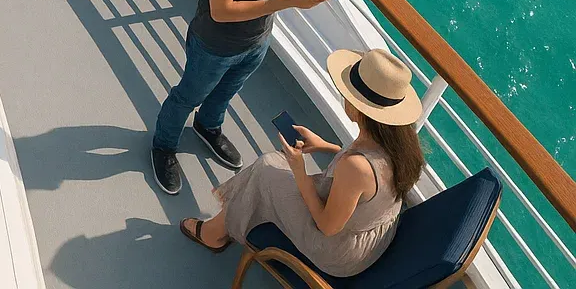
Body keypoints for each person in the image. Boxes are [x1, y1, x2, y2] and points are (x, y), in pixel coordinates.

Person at [150, 0, 329, 194]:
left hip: (257, 40)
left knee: (225, 93)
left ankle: (208, 126)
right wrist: (287, 2)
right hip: (214, 45)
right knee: (187, 97)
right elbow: (222, 10)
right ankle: (163, 147)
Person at [179, 48, 425, 280]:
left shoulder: (357, 167)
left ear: (359, 109)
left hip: (339, 251)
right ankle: (228, 221)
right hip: (374, 235)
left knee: (266, 169)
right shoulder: (399, 142)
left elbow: (327, 226)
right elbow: (368, 183)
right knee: (271, 168)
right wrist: (325, 146)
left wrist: (299, 171)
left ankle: (214, 233)